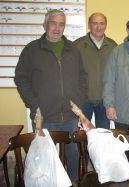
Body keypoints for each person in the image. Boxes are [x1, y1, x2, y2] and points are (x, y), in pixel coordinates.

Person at [14, 9, 87, 183]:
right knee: (44, 158)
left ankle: (72, 182)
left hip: (70, 116)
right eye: (53, 23)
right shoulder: (32, 50)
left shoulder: (73, 49)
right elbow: (21, 78)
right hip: (43, 116)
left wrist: (79, 100)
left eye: (61, 24)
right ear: (45, 25)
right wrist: (33, 103)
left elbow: (83, 77)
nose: (57, 28)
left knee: (73, 154)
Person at [74, 12, 117, 129]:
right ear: (89, 25)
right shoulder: (77, 45)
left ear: (106, 25)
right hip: (83, 101)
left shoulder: (113, 46)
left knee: (103, 137)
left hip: (105, 102)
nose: (98, 27)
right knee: (82, 135)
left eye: (102, 24)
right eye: (95, 23)